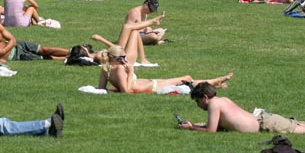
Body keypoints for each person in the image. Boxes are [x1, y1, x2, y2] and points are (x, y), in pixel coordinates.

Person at [179, 82, 305, 134]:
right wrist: (196, 124)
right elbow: (220, 125)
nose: (199, 106)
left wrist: (191, 128)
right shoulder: (222, 100)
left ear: (205, 97)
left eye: (198, 102)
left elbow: (211, 130)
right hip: (266, 120)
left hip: (268, 124)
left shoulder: (214, 104)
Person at [98, 45, 234, 94]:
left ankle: (214, 83)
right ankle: (215, 82)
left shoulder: (105, 69)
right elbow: (126, 91)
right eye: (122, 58)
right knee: (186, 79)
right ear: (114, 58)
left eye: (124, 58)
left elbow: (102, 88)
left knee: (185, 81)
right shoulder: (120, 70)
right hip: (151, 86)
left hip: (150, 83)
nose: (125, 61)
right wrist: (131, 72)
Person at [0, 12, 69, 62]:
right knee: (45, 58)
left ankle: (71, 52)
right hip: (15, 56)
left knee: (44, 49)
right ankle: (69, 58)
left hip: (18, 45)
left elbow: (12, 39)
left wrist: (4, 50)